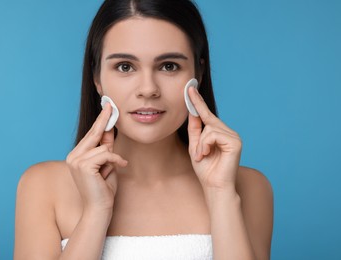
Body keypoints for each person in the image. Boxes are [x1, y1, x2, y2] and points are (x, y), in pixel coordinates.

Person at [14, 0, 273, 259]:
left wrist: (221, 195)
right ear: (97, 79)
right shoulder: (43, 187)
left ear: (199, 73)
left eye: (169, 66)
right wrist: (96, 212)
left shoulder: (247, 187)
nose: (148, 88)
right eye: (125, 67)